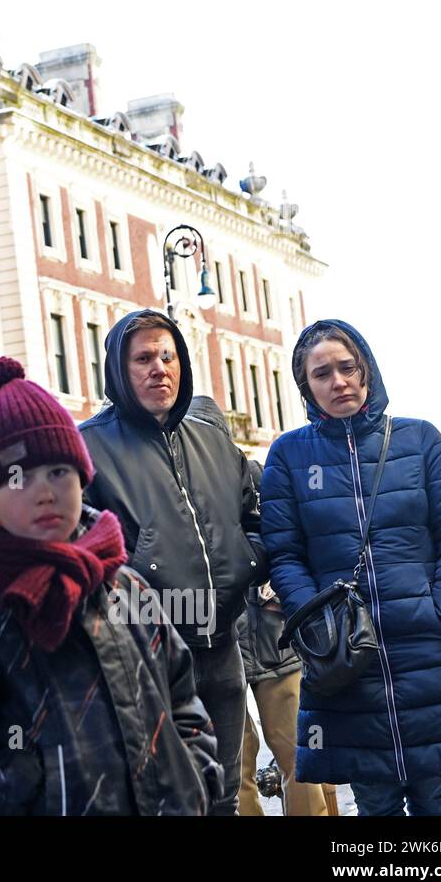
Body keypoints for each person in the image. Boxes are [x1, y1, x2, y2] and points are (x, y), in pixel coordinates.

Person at [0, 357, 222, 815]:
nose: (44, 492)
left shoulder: (127, 588)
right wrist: (29, 791)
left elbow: (182, 694)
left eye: (59, 472)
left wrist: (195, 776)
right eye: (19, 477)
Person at [260, 319, 441, 816]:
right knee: (374, 800)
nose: (339, 382)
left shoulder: (419, 440)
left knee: (437, 797)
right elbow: (284, 554)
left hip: (426, 648)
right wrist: (318, 622)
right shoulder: (289, 456)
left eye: (348, 367)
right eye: (322, 374)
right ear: (306, 387)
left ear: (367, 369)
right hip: (346, 658)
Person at [78, 310, 263, 815]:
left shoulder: (212, 437)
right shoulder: (88, 446)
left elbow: (255, 514)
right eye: (143, 358)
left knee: (223, 795)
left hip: (222, 648)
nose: (159, 368)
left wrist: (248, 562)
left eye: (168, 356)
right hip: (147, 656)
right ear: (119, 369)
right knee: (164, 800)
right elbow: (82, 548)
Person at [183, 397, 331, 816]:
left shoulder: (252, 476)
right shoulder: (178, 487)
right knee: (239, 763)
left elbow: (287, 545)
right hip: (224, 642)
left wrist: (271, 582)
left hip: (265, 638)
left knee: (294, 756)